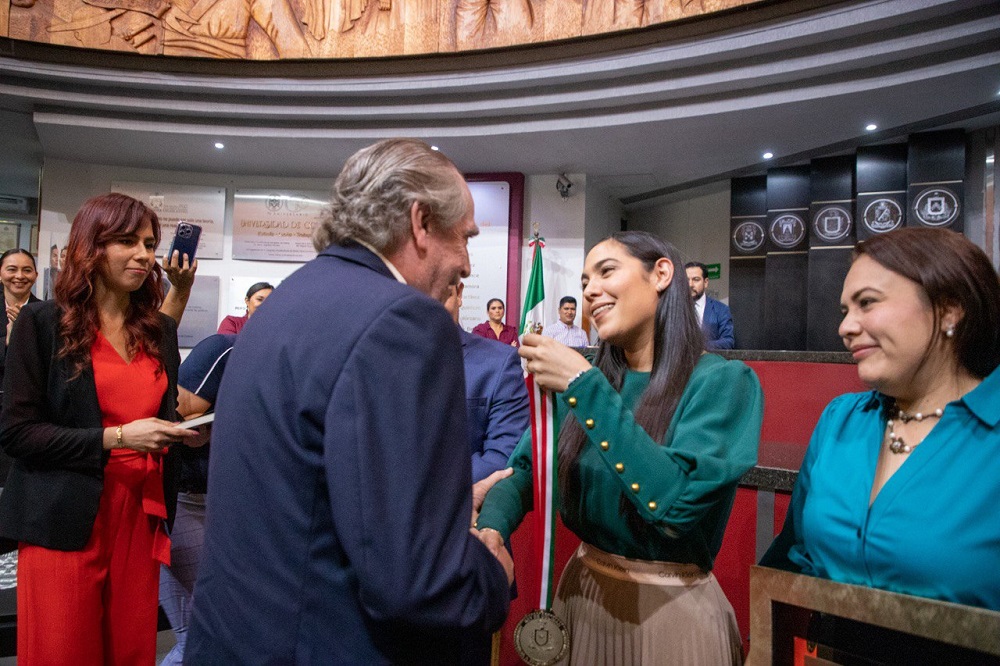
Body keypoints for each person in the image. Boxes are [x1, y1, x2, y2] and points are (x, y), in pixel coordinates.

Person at [187, 139, 513, 664]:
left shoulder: (286, 300)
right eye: (465, 238)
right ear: (421, 221)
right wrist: (491, 575)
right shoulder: (402, 321)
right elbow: (416, 581)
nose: (467, 265)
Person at [477, 231, 764, 664]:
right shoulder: (590, 379)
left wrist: (583, 385)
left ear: (661, 274)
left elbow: (674, 504)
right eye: (584, 281)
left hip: (668, 615)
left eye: (606, 272)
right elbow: (526, 471)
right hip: (581, 599)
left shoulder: (722, 382)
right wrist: (492, 530)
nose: (590, 290)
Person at [0, 192, 201, 663]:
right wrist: (118, 437)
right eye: (126, 241)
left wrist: (185, 432)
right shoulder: (42, 321)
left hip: (139, 516)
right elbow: (17, 432)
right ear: (92, 246)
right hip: (64, 516)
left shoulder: (158, 330)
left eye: (149, 244)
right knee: (64, 651)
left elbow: (163, 412)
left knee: (130, 651)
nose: (143, 255)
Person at [761, 228, 1000, 611]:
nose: (845, 328)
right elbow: (796, 556)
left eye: (867, 303)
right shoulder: (841, 420)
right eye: (845, 311)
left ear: (949, 310)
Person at [159, 333, 236, 666]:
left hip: (218, 504)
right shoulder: (225, 349)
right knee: (202, 632)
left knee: (199, 634)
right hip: (186, 501)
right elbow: (177, 415)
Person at [444, 281, 529, 483]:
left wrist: (444, 492)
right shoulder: (378, 357)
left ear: (459, 294)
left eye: (437, 287)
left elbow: (503, 452)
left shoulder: (499, 363)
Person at [685, 261, 734, 350]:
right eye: (686, 280)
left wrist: (701, 347)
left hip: (708, 358)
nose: (690, 284)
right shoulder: (674, 310)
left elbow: (728, 341)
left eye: (696, 279)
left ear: (706, 282)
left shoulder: (721, 310)